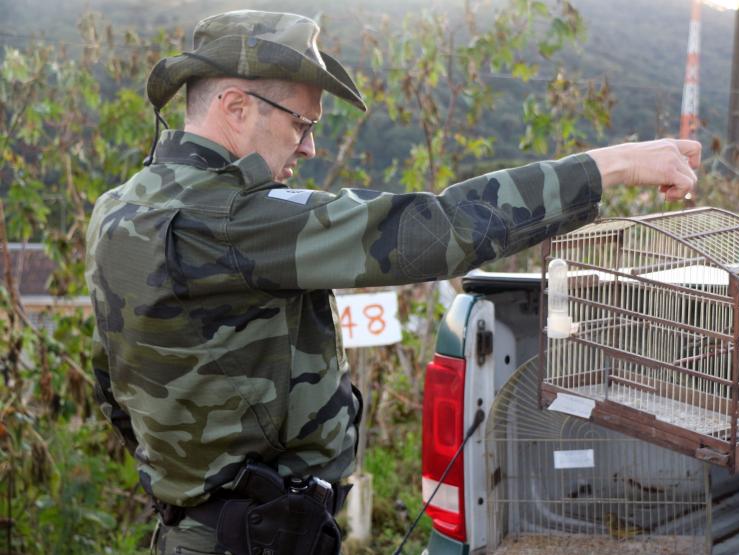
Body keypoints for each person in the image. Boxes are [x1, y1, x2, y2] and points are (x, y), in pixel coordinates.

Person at [85, 9, 700, 555]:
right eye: (300, 123)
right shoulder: (237, 220)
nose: (310, 146)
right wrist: (614, 165)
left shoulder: (119, 207)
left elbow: (113, 378)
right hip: (256, 535)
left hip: (200, 528)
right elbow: (438, 229)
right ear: (236, 106)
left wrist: (195, 476)